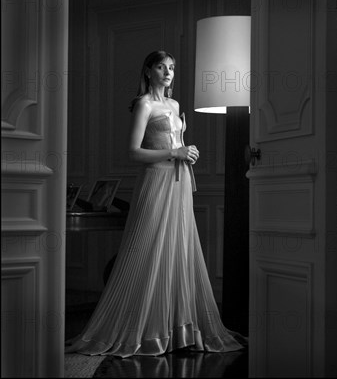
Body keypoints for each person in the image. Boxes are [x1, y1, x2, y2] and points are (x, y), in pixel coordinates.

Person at [65, 50, 246, 358]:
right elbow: (134, 152)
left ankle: (180, 330)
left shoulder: (174, 105)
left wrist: (187, 152)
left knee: (179, 249)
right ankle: (144, 331)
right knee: (147, 246)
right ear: (148, 71)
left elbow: (174, 146)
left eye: (172, 67)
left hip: (180, 183)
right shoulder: (143, 104)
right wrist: (174, 153)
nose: (168, 72)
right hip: (156, 182)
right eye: (161, 66)